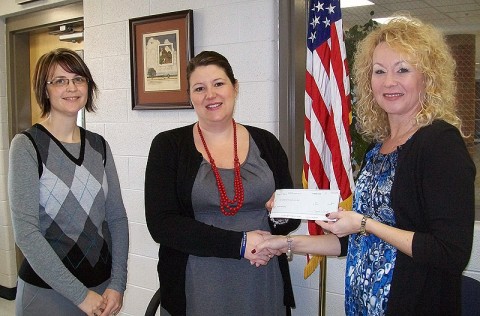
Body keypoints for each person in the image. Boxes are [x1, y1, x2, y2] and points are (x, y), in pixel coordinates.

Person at [254, 16, 475, 315]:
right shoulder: (377, 149)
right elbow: (354, 242)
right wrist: (286, 243)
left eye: (403, 70)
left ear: (427, 77)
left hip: (413, 304)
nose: (389, 82)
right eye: (379, 71)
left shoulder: (439, 144)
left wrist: (364, 222)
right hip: (361, 305)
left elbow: (450, 252)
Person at [144, 50, 300, 315]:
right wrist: (239, 244)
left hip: (261, 275)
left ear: (235, 88)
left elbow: (290, 218)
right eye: (199, 88)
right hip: (199, 283)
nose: (210, 95)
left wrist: (281, 212)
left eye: (218, 84)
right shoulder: (168, 146)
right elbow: (162, 224)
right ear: (190, 96)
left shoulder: (266, 142)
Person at [8, 48, 129, 316]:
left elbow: (117, 218)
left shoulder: (99, 146)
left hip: (102, 290)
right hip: (47, 294)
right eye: (59, 80)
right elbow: (26, 234)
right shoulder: (27, 146)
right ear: (45, 89)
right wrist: (80, 296)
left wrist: (118, 284)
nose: (71, 87)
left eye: (78, 79)